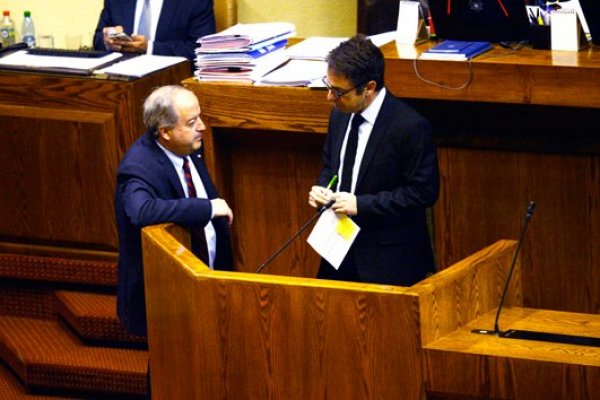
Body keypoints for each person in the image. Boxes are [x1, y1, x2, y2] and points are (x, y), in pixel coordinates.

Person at [308, 35, 439, 286]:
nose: (329, 98)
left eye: (338, 91)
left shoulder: (410, 126)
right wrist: (323, 188)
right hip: (338, 251)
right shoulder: (340, 115)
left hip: (389, 259)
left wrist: (362, 205)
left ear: (368, 87)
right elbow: (330, 166)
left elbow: (423, 193)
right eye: (328, 86)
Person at [115, 85, 233, 338]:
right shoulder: (138, 165)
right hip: (167, 297)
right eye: (191, 122)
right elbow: (141, 211)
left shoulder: (188, 146)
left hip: (206, 282)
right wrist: (208, 207)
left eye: (199, 117)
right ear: (165, 131)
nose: (201, 126)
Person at [93, 0, 216, 60]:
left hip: (169, 84)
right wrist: (108, 41)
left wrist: (150, 48)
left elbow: (199, 50)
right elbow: (97, 39)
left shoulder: (195, 2)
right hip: (121, 80)